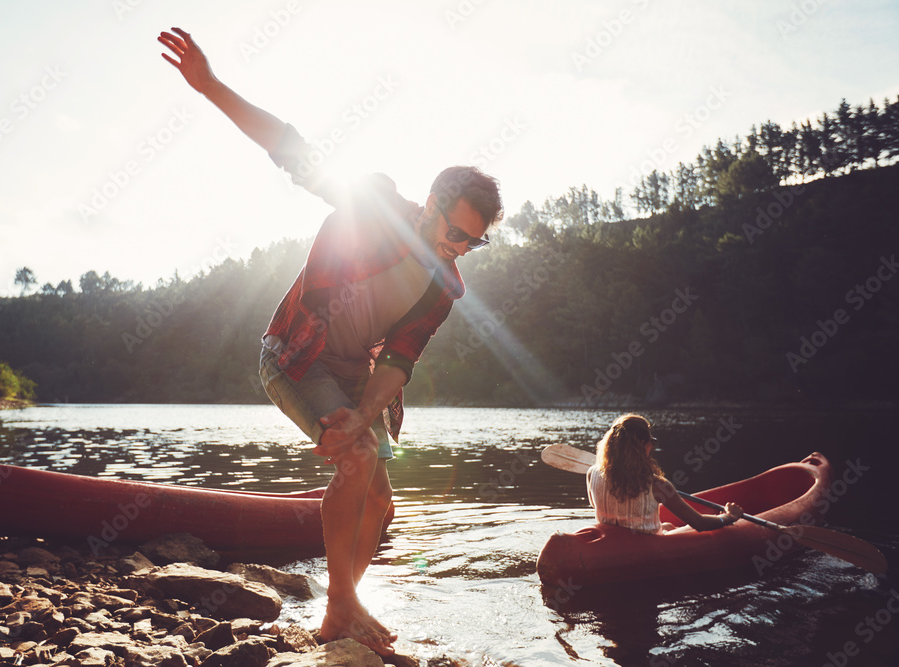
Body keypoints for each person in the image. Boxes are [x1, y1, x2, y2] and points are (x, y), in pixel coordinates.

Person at [158, 28, 503, 655]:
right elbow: (293, 150)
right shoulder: (370, 203)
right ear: (431, 203)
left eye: (471, 243)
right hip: (294, 357)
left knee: (381, 504)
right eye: (454, 232)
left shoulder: (443, 288)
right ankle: (342, 603)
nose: (457, 249)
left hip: (353, 378)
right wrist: (210, 86)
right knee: (357, 459)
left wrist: (364, 412)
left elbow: (399, 360)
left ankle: (340, 606)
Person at [587, 414, 744, 533]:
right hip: (646, 549)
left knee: (668, 526)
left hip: (611, 544)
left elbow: (599, 506)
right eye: (652, 441)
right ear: (642, 444)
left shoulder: (592, 474)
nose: (652, 446)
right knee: (682, 527)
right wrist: (728, 517)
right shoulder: (657, 486)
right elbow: (700, 523)